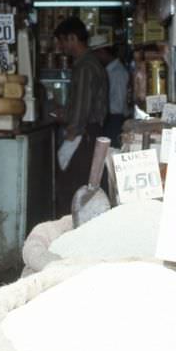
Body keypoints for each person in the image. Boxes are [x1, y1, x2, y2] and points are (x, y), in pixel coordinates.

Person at [53, 17, 109, 217]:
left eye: (62, 41)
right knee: (84, 187)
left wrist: (71, 133)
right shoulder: (89, 63)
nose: (61, 47)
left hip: (84, 136)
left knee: (72, 189)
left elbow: (82, 110)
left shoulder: (85, 66)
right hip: (89, 134)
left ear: (73, 38)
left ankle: (69, 237)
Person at [92, 40, 129, 148]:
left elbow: (118, 105)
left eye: (96, 55)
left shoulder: (117, 72)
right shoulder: (108, 71)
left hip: (115, 120)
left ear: (102, 52)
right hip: (110, 119)